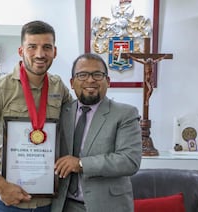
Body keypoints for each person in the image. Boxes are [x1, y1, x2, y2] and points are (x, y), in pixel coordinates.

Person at [0, 20, 72, 212]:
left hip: (47, 203)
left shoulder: (59, 88)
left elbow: (74, 127)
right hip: (5, 202)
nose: (40, 54)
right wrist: (1, 186)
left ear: (54, 51)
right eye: (32, 47)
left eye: (46, 47)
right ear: (21, 51)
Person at [51, 53, 142, 212]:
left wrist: (80, 164)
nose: (90, 80)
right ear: (72, 83)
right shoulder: (60, 113)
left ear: (108, 81)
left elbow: (129, 161)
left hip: (108, 206)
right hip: (65, 206)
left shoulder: (125, 113)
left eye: (97, 74)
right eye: (82, 75)